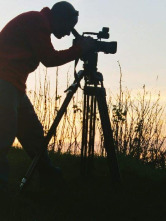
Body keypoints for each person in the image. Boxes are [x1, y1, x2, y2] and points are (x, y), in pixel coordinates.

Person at [0, 1, 96, 191]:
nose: (69, 33)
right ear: (60, 19)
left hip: (13, 84)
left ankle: (49, 176)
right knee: (4, 134)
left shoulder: (39, 22)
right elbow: (49, 59)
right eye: (70, 26)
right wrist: (80, 49)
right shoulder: (38, 22)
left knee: (33, 133)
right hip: (4, 81)